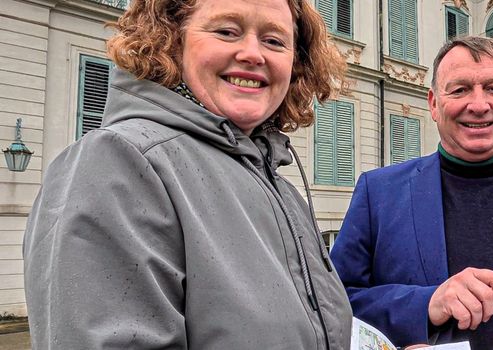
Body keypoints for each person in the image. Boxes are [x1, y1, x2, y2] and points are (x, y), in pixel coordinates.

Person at [23, 0, 352, 348]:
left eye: (274, 41)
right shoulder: (118, 162)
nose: (254, 54)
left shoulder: (280, 187)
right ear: (169, 39)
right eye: (227, 31)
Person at [330, 36, 493, 350]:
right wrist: (426, 304)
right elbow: (335, 301)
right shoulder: (377, 193)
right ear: (434, 104)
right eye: (460, 89)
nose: (479, 105)